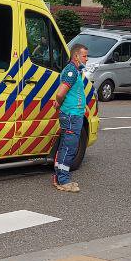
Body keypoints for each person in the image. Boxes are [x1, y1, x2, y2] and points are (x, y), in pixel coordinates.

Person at [52, 43, 89, 193]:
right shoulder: (71, 71)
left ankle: (61, 177)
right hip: (71, 115)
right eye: (85, 56)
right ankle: (63, 180)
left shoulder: (76, 71)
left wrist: (82, 105)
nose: (87, 59)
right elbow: (61, 93)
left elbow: (74, 93)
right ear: (76, 56)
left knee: (66, 147)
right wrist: (59, 104)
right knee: (69, 147)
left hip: (75, 113)